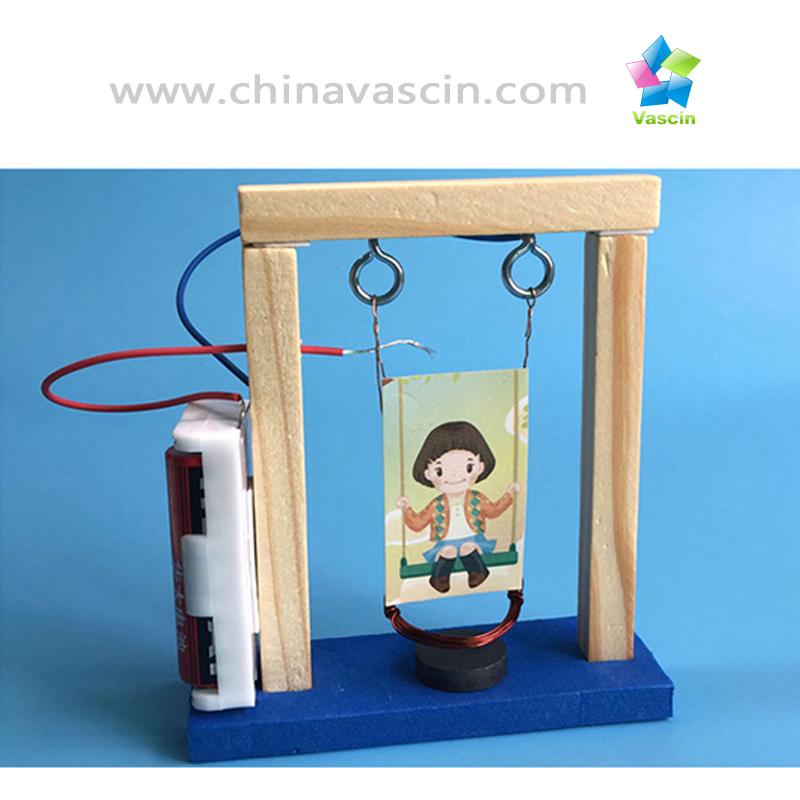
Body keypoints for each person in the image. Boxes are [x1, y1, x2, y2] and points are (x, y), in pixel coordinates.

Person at [397, 420, 520, 594]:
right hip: (445, 543)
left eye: (468, 467)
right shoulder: (437, 505)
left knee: (468, 548)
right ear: (428, 473)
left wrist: (509, 495)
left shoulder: (476, 499)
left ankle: (478, 572)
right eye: (440, 471)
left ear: (480, 467)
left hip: (473, 540)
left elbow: (493, 510)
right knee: (447, 551)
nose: (454, 476)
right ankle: (440, 579)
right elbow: (418, 523)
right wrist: (406, 508)